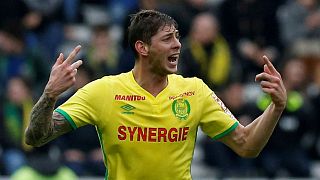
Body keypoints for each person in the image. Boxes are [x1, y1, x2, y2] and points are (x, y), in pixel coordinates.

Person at [25, 10, 287, 180]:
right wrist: (49, 95)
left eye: (177, 37)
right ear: (143, 47)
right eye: (167, 39)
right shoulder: (103, 90)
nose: (178, 44)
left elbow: (246, 145)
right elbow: (36, 137)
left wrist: (275, 108)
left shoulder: (194, 90)